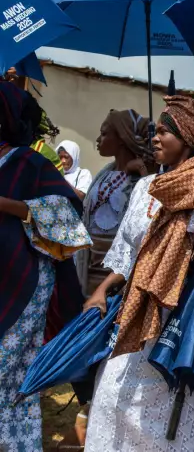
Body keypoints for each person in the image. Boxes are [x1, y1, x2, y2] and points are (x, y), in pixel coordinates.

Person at [83, 95, 194, 452]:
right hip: (134, 306)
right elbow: (127, 252)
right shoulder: (143, 187)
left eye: (167, 132)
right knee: (111, 397)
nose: (156, 138)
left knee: (160, 410)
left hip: (177, 310)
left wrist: (179, 194)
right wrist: (101, 292)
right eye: (156, 130)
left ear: (189, 139)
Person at [0, 81, 91, 452]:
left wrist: (5, 203)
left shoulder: (28, 162)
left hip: (19, 293)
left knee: (7, 383)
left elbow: (68, 218)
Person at [75, 109, 153, 296]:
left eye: (104, 134)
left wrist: (141, 169)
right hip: (90, 260)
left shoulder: (141, 179)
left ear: (122, 138)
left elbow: (150, 205)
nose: (98, 140)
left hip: (116, 266)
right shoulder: (105, 173)